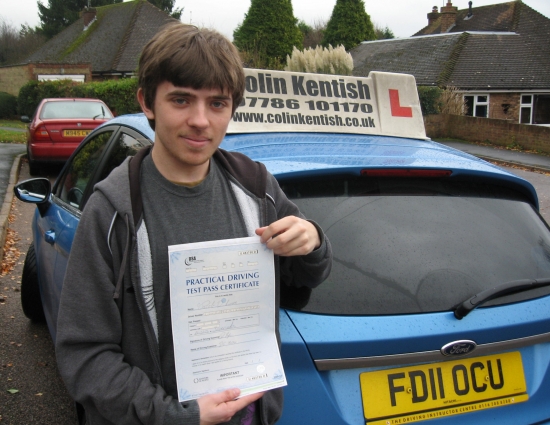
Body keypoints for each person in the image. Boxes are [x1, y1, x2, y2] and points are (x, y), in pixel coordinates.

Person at [55, 22, 332, 425]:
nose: (201, 120)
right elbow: (85, 355)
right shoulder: (112, 211)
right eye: (181, 100)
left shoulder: (256, 186)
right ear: (147, 103)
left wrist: (314, 241)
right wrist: (176, 416)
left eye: (217, 103)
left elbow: (308, 277)